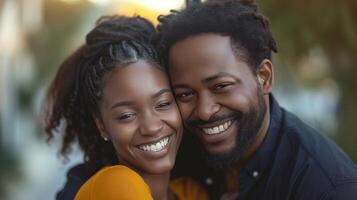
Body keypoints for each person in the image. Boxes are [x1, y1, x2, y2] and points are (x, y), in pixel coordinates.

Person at [154, 0, 357, 199]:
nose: (205, 111)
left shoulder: (325, 188)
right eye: (185, 94)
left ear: (264, 77)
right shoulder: (177, 153)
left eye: (221, 86)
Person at [43, 15, 208, 200]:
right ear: (102, 125)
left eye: (162, 104)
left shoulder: (191, 193)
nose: (151, 127)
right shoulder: (116, 185)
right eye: (127, 115)